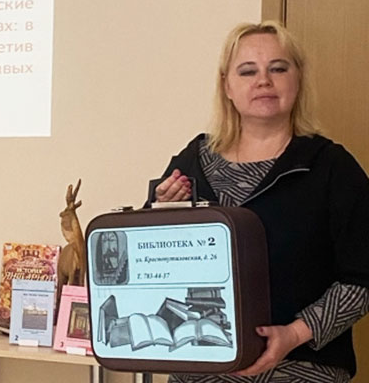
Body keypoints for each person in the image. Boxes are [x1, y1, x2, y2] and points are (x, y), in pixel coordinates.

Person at [152, 21, 369, 382]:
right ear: (227, 86)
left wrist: (294, 334)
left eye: (278, 69)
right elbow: (157, 269)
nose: (264, 81)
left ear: (298, 79)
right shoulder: (191, 161)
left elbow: (361, 279)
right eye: (248, 71)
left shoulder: (332, 167)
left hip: (302, 366)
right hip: (201, 365)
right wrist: (160, 214)